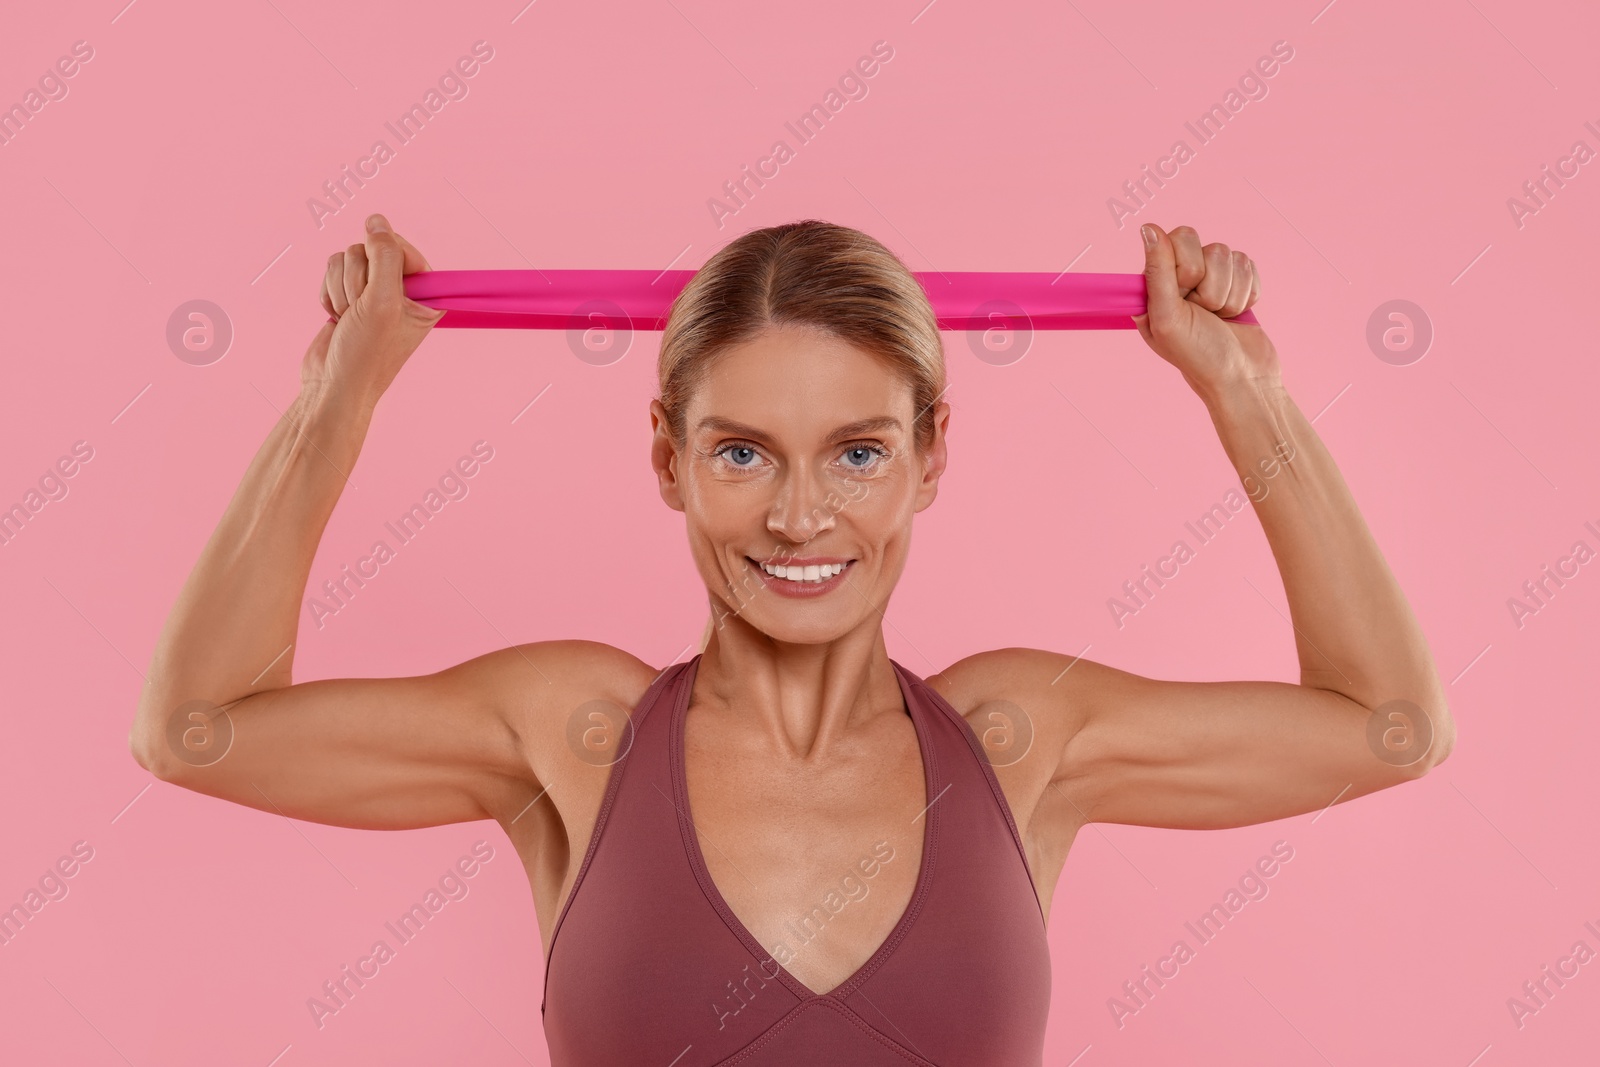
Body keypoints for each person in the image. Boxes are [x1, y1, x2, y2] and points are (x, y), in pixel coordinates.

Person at [129, 212, 1454, 1064]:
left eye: (859, 451)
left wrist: (1245, 389)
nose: (802, 512)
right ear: (668, 458)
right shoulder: (573, 732)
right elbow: (198, 733)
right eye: (744, 450)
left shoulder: (1019, 738)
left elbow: (1388, 728)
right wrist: (334, 401)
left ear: (933, 457)